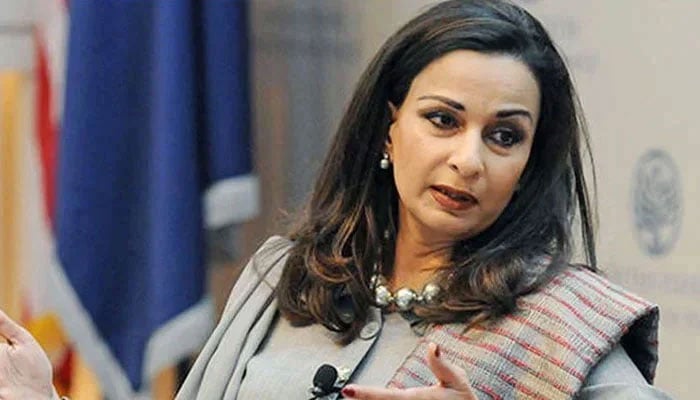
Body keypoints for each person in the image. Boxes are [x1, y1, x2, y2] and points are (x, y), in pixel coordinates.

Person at [0, 0, 673, 399]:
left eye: (504, 136)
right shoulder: (283, 276)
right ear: (389, 127)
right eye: (443, 120)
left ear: (528, 164)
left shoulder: (559, 325)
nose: (470, 160)